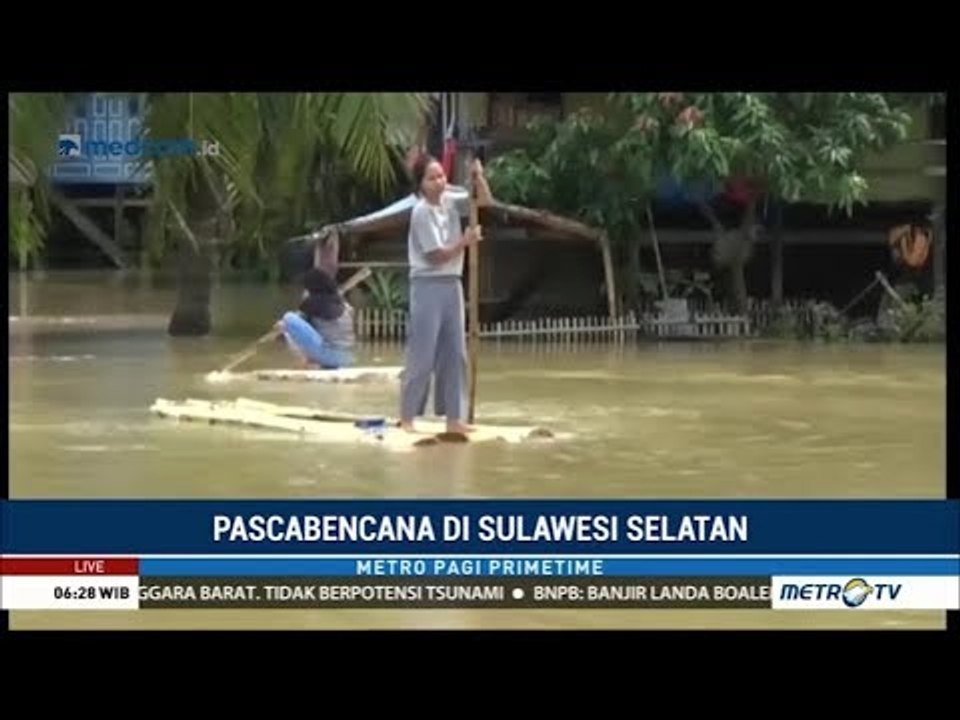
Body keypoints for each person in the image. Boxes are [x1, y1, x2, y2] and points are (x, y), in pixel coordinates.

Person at [400, 153, 492, 434]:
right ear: (421, 185)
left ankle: (454, 418)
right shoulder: (420, 212)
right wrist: (464, 242)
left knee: (455, 354)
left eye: (441, 176)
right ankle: (407, 417)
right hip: (427, 285)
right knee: (423, 355)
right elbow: (436, 256)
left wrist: (479, 177)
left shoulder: (451, 199)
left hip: (452, 284)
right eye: (432, 178)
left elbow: (484, 201)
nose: (439, 182)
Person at [277, 266, 355, 369]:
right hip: (347, 357)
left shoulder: (312, 302)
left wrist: (282, 325)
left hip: (328, 355)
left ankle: (307, 363)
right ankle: (320, 364)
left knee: (288, 318)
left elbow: (296, 326)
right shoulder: (345, 305)